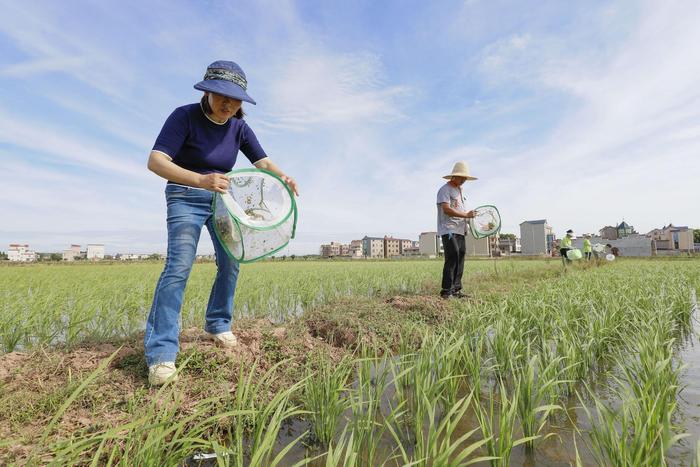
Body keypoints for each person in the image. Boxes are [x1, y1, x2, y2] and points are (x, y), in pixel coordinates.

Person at [144, 60, 299, 386]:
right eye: (221, 96)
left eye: (235, 99)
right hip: (185, 196)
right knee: (179, 266)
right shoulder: (184, 116)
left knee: (231, 262)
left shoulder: (238, 128)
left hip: (222, 201)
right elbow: (156, 161)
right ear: (208, 92)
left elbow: (263, 160)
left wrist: (282, 176)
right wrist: (201, 180)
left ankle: (217, 323)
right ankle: (161, 353)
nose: (228, 104)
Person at [436, 161, 477, 299]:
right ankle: (446, 291)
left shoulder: (460, 192)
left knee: (460, 257)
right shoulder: (444, 190)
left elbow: (463, 211)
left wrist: (469, 219)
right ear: (453, 176)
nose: (464, 180)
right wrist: (466, 215)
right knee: (452, 255)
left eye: (465, 178)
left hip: (460, 229)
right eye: (461, 177)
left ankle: (456, 290)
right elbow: (446, 209)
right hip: (448, 229)